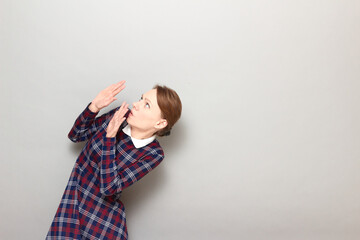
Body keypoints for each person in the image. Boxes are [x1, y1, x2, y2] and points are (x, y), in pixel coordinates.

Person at [46, 80, 182, 239]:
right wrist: (94, 107)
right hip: (73, 204)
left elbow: (109, 187)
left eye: (147, 105)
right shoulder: (119, 116)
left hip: (103, 224)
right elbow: (76, 135)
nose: (136, 104)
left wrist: (110, 137)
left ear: (160, 123)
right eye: (141, 98)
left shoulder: (153, 154)